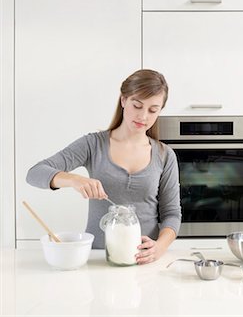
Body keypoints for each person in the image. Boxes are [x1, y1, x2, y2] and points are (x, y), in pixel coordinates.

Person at [26, 69, 181, 264]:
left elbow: (172, 214)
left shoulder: (165, 155)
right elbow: (34, 173)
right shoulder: (93, 145)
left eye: (152, 110)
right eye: (137, 105)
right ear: (123, 100)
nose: (143, 116)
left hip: (145, 260)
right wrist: (73, 179)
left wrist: (159, 247)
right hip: (98, 258)